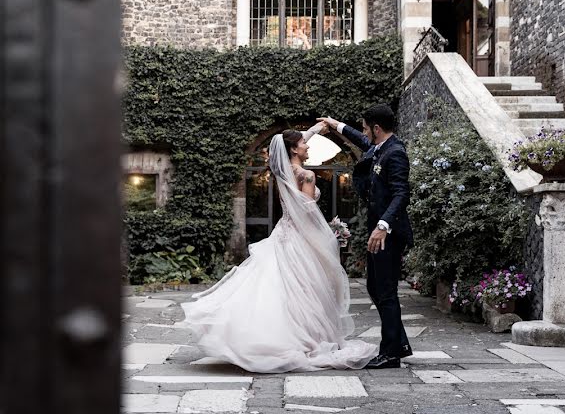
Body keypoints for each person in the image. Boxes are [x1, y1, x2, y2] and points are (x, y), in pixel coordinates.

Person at [177, 122, 377, 373]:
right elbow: (307, 213)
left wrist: (316, 128)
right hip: (299, 236)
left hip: (283, 233)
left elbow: (291, 143)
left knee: (281, 286)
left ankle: (273, 334)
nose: (308, 146)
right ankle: (305, 338)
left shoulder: (282, 169)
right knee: (306, 288)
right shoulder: (306, 175)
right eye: (304, 144)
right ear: (294, 150)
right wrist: (328, 235)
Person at [318, 105, 413, 369]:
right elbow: (360, 140)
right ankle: (399, 344)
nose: (363, 132)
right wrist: (336, 124)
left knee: (385, 290)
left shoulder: (395, 153)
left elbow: (401, 194)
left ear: (377, 129)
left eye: (365, 127)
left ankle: (392, 352)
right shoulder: (379, 147)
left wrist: (383, 226)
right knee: (375, 286)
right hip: (378, 231)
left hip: (389, 233)